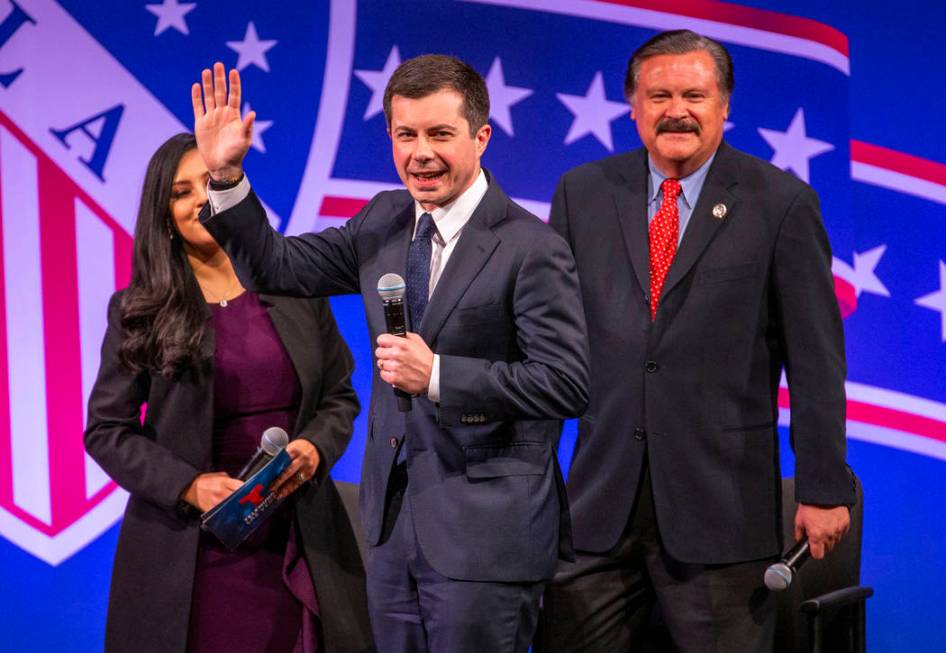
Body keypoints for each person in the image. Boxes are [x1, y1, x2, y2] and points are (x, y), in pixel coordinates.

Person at [189, 56, 589, 652]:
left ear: (481, 137)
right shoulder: (384, 219)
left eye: (439, 134)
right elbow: (277, 267)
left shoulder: (532, 247)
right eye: (406, 135)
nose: (420, 152)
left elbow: (565, 382)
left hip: (487, 535)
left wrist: (440, 376)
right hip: (393, 530)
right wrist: (224, 177)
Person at [537, 30, 855, 652]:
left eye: (693, 94)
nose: (675, 110)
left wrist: (821, 487)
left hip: (721, 516)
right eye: (658, 95)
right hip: (598, 507)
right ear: (632, 105)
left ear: (725, 105)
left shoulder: (781, 203)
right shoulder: (582, 193)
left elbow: (816, 362)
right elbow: (553, 346)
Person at [84, 133, 373, 653]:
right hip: (192, 553)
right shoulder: (138, 308)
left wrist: (315, 448)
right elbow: (107, 431)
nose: (199, 200)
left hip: (300, 537)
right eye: (180, 191)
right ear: (164, 215)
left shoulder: (295, 284)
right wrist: (189, 486)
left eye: (208, 183)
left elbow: (339, 396)